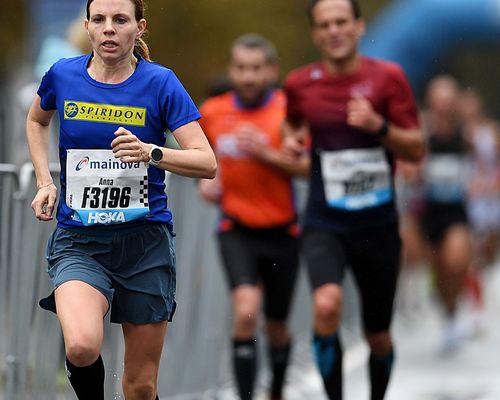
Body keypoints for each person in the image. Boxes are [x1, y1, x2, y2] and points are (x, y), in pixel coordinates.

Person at [26, 1, 216, 399]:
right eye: (100, 20)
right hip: (80, 241)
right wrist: (45, 180)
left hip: (145, 244)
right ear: (87, 27)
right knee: (80, 345)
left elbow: (206, 162)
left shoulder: (161, 83)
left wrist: (152, 152)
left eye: (120, 20)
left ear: (139, 27)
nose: (109, 29)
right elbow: (37, 119)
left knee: (141, 386)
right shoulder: (62, 75)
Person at [282, 1, 424, 399]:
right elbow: (291, 122)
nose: (334, 31)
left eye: (341, 22)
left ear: (359, 27)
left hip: (377, 226)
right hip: (324, 221)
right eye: (325, 25)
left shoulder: (388, 79)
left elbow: (415, 149)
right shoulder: (300, 83)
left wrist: (378, 126)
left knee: (377, 334)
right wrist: (291, 141)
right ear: (315, 34)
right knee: (326, 307)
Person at [198, 34, 308, 400]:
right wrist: (206, 182)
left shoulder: (288, 112)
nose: (248, 77)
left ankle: (276, 389)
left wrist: (265, 153)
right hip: (236, 227)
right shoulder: (213, 112)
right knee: (246, 312)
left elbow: (307, 169)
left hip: (282, 230)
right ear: (232, 70)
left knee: (276, 326)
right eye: (241, 68)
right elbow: (200, 157)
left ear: (272, 71)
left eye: (256, 69)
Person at [420, 76, 473, 353]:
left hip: (456, 212)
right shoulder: (422, 131)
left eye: (447, 101)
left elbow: (485, 164)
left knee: (455, 262)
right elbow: (407, 164)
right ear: (430, 102)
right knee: (439, 271)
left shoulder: (466, 133)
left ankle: (454, 310)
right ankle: (449, 313)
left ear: (454, 103)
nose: (442, 107)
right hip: (428, 213)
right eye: (437, 101)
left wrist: (483, 182)